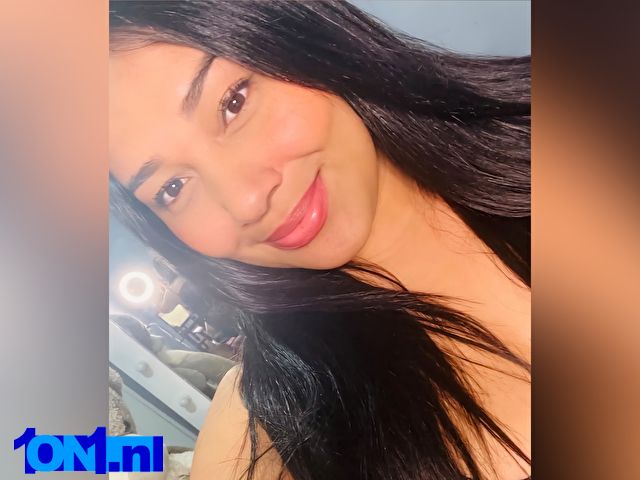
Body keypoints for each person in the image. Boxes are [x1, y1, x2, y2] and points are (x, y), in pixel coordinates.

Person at [108, 1, 531, 479]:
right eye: (172, 187)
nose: (247, 201)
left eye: (233, 104)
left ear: (299, 36)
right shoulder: (263, 443)